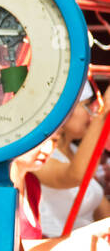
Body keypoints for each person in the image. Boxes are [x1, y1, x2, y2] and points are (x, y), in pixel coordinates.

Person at [19, 82, 110, 238]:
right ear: (67, 111)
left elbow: (101, 207)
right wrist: (104, 112)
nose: (91, 115)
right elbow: (75, 175)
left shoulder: (75, 152)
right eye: (88, 107)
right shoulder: (33, 156)